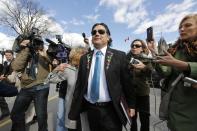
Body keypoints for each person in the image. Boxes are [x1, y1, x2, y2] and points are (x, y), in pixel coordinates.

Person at [68, 23, 135, 131]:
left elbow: (127, 83)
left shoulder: (119, 56)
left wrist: (131, 105)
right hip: (91, 109)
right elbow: (79, 85)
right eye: (94, 32)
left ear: (108, 37)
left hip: (111, 110)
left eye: (101, 31)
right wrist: (74, 110)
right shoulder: (84, 58)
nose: (97, 34)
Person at [149, 14, 197, 131]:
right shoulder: (176, 49)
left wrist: (185, 65)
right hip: (177, 112)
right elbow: (165, 72)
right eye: (180, 26)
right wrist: (154, 54)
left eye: (188, 25)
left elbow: (179, 65)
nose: (182, 29)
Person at [10, 36, 51, 131]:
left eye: (39, 42)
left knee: (41, 117)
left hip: (41, 87)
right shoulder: (26, 52)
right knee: (15, 114)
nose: (36, 45)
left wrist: (44, 55)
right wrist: (26, 49)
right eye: (34, 42)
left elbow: (54, 63)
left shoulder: (46, 54)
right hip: (26, 87)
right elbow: (16, 67)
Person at [46, 47, 88, 131]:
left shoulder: (89, 69)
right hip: (72, 107)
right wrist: (56, 69)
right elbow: (49, 79)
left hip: (87, 108)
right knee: (73, 128)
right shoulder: (68, 69)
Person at [126, 39, 153, 131]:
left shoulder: (147, 59)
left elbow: (153, 74)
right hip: (130, 94)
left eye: (137, 46)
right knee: (132, 119)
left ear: (142, 48)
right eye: (132, 45)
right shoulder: (126, 59)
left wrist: (144, 68)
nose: (134, 47)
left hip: (143, 94)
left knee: (144, 119)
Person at [0, 50, 15, 120]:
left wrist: (5, 77)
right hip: (6, 81)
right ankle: (5, 112)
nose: (7, 57)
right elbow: (3, 71)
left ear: (12, 55)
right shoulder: (5, 63)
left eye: (9, 55)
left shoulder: (15, 62)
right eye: (6, 55)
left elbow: (14, 73)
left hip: (15, 82)